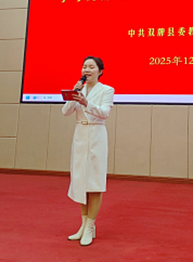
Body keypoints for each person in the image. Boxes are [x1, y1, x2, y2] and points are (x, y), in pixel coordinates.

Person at [62, 56, 114, 247]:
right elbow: (65, 112)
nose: (87, 70)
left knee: (94, 181)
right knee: (80, 180)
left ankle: (91, 226)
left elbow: (105, 113)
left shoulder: (107, 90)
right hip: (80, 136)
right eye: (84, 66)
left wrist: (86, 103)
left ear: (100, 71)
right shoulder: (79, 89)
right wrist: (74, 93)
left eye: (91, 67)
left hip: (96, 135)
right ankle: (83, 225)